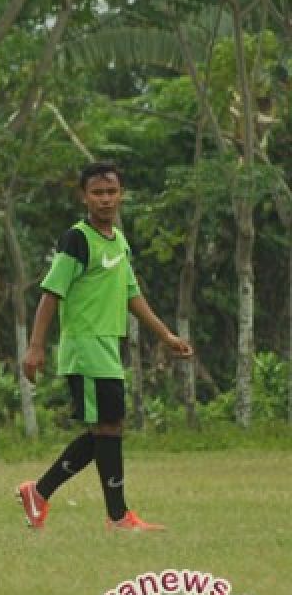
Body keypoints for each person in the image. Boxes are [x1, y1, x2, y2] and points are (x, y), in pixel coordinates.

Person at [18, 160, 193, 532]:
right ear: (84, 197)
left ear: (122, 195)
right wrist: (35, 347)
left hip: (107, 347)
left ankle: (42, 493)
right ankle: (115, 516)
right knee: (108, 427)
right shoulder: (76, 239)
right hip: (84, 346)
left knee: (107, 428)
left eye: (111, 192)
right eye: (97, 192)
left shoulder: (119, 241)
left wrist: (166, 336)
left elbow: (132, 294)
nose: (106, 199)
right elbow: (51, 293)